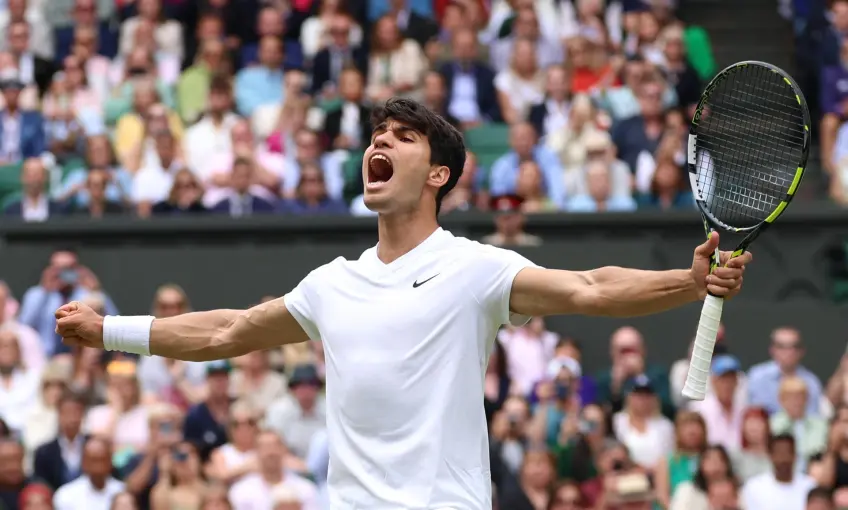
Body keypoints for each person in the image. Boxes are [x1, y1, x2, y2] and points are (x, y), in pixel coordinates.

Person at [54, 98, 752, 509]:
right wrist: (110, 329)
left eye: (402, 137)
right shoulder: (331, 282)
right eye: (376, 137)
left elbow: (590, 289)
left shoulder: (474, 268)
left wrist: (686, 283)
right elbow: (226, 331)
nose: (379, 142)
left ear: (438, 174)